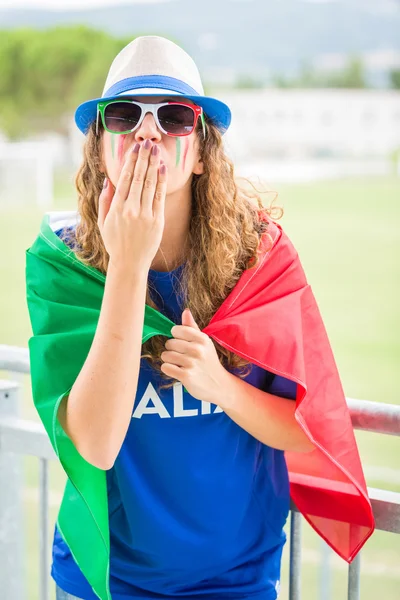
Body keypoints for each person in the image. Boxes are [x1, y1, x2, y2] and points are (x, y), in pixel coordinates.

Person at [26, 36, 374, 600]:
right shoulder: (61, 265)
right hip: (106, 582)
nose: (147, 132)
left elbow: (307, 431)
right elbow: (94, 446)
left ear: (205, 150)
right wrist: (128, 268)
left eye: (174, 117)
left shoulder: (260, 259)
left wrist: (222, 387)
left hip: (236, 581)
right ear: (99, 149)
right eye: (124, 115)